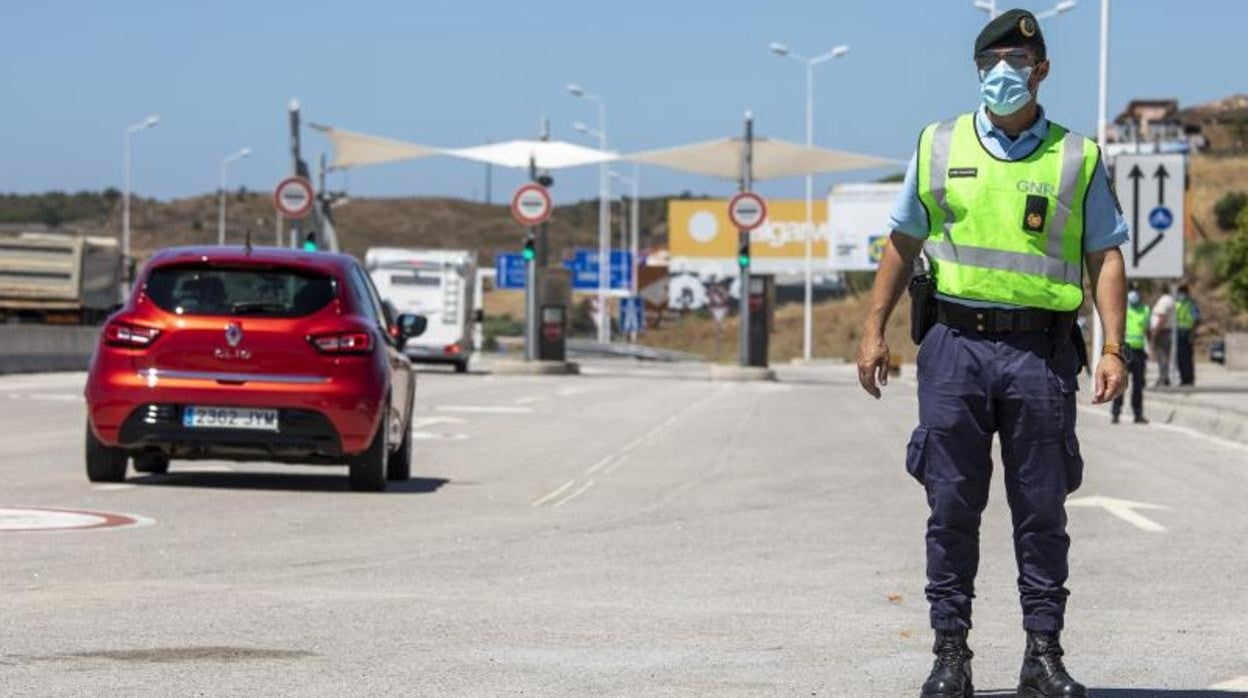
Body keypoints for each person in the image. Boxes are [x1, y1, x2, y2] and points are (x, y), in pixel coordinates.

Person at [855, 9, 1129, 697]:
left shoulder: (1078, 157)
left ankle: (1043, 654)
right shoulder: (938, 144)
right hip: (955, 348)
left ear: (1042, 70)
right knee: (951, 507)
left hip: (1041, 352)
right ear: (977, 70)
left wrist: (1113, 348)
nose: (1002, 74)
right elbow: (902, 242)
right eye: (990, 64)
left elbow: (1105, 255)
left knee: (1042, 510)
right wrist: (872, 329)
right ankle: (951, 654)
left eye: (1017, 62)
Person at [1112, 287, 1150, 424]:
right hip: (1124, 350)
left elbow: (1148, 331)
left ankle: (1138, 414)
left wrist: (1149, 348)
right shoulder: (1122, 308)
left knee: (1138, 385)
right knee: (1120, 383)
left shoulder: (1145, 310)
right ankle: (1116, 413)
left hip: (1139, 352)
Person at [1175, 283, 1200, 385]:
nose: (1181, 295)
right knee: (1179, 358)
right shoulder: (1176, 303)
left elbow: (1196, 319)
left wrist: (1192, 334)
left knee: (1187, 357)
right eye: (1180, 293)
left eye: (1183, 293)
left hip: (1187, 333)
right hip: (1177, 333)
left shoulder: (1191, 304)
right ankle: (1183, 379)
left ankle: (1189, 379)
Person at [1151, 286, 1175, 386]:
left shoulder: (1164, 301)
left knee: (1162, 355)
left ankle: (1163, 378)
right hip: (1166, 330)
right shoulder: (1171, 300)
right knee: (1164, 355)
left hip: (1162, 331)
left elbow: (1162, 317)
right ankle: (1164, 377)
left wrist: (1156, 331)